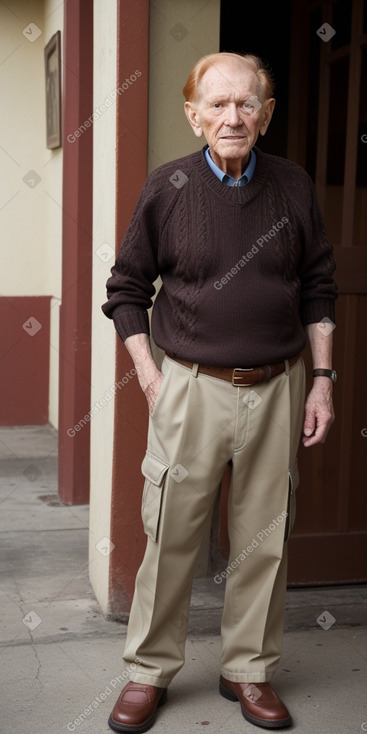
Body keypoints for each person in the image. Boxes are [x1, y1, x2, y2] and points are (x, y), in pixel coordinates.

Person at [102, 52, 337, 732]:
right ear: (193, 114)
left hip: (279, 385)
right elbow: (124, 292)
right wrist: (151, 375)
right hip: (191, 387)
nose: (231, 116)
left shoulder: (293, 186)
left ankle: (247, 669)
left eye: (246, 104)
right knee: (170, 535)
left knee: (264, 538)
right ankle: (148, 671)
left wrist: (320, 381)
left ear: (265, 116)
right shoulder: (167, 186)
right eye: (217, 103)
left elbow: (318, 285)